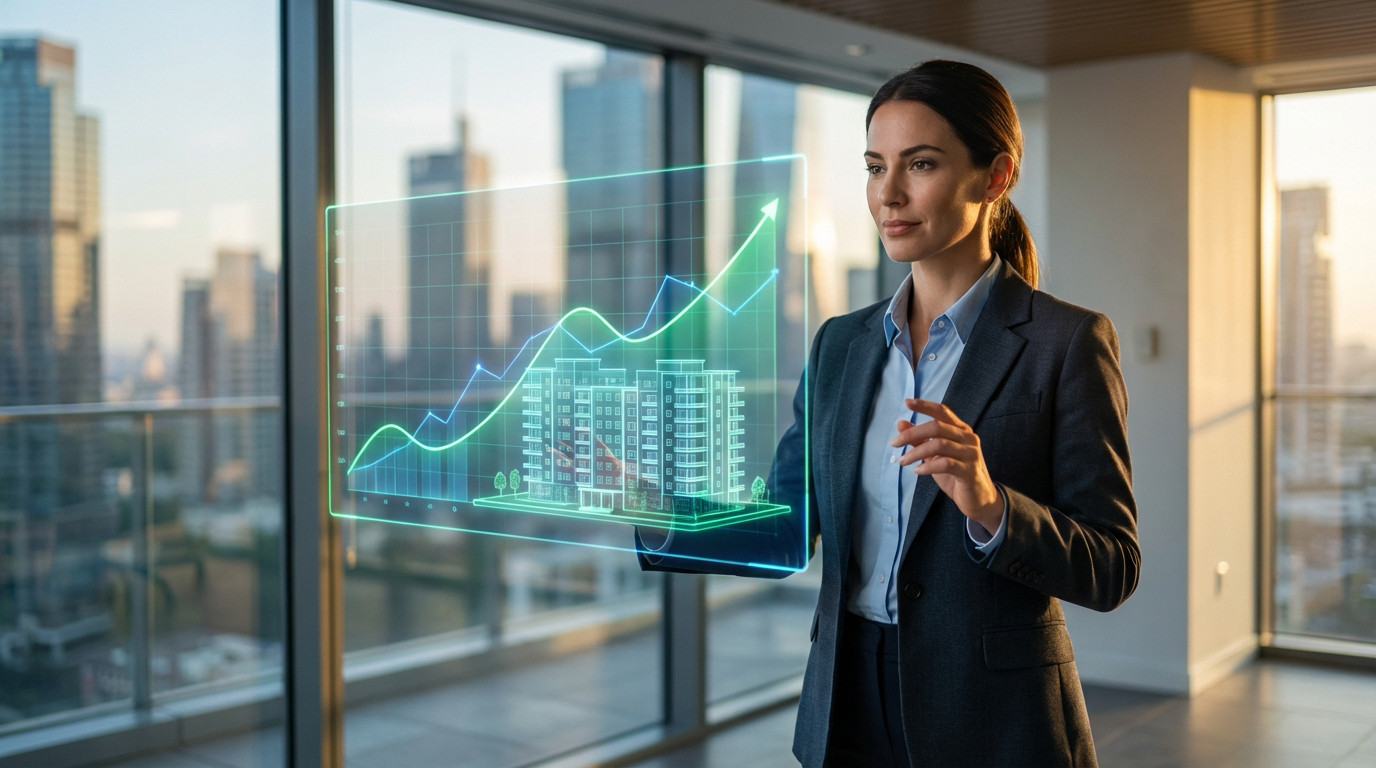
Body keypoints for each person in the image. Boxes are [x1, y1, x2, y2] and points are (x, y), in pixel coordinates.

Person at [639, 59, 1138, 767]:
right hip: (847, 700)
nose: (889, 194)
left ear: (995, 177)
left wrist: (993, 506)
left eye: (921, 164)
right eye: (876, 167)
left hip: (994, 719)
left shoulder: (1066, 343)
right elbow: (786, 526)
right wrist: (654, 507)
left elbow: (1113, 565)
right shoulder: (840, 344)